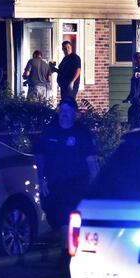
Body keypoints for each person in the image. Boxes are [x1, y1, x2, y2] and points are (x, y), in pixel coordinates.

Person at [34, 98, 99, 231]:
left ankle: (67, 249)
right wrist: (41, 178)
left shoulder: (82, 132)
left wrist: (96, 183)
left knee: (68, 218)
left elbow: (91, 160)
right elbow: (40, 155)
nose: (64, 113)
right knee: (54, 218)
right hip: (54, 183)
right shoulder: (50, 130)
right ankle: (64, 244)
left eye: (68, 110)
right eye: (62, 110)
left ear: (75, 113)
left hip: (76, 183)